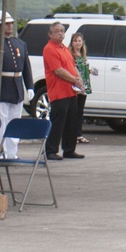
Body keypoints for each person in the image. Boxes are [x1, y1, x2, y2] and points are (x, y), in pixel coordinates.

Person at [0, 11, 34, 159]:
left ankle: (12, 152)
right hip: (2, 87)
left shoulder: (20, 44)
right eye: (6, 23)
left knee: (14, 121)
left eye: (11, 23)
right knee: (2, 121)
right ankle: (1, 151)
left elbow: (26, 67)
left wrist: (29, 86)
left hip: (16, 87)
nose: (10, 25)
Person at [42, 21, 85, 160]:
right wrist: (74, 79)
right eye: (57, 31)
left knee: (71, 121)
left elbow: (72, 67)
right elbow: (58, 70)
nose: (60, 33)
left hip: (70, 91)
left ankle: (69, 149)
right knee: (58, 122)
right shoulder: (50, 49)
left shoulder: (65, 49)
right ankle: (50, 150)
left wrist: (79, 80)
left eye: (62, 30)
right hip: (59, 92)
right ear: (50, 34)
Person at [71, 32, 99, 145]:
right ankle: (72, 134)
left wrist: (91, 71)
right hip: (76, 86)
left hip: (85, 85)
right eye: (75, 41)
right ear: (72, 43)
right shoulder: (71, 55)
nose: (78, 43)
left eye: (79, 41)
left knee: (80, 111)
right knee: (74, 111)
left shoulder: (82, 55)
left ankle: (78, 134)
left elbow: (83, 69)